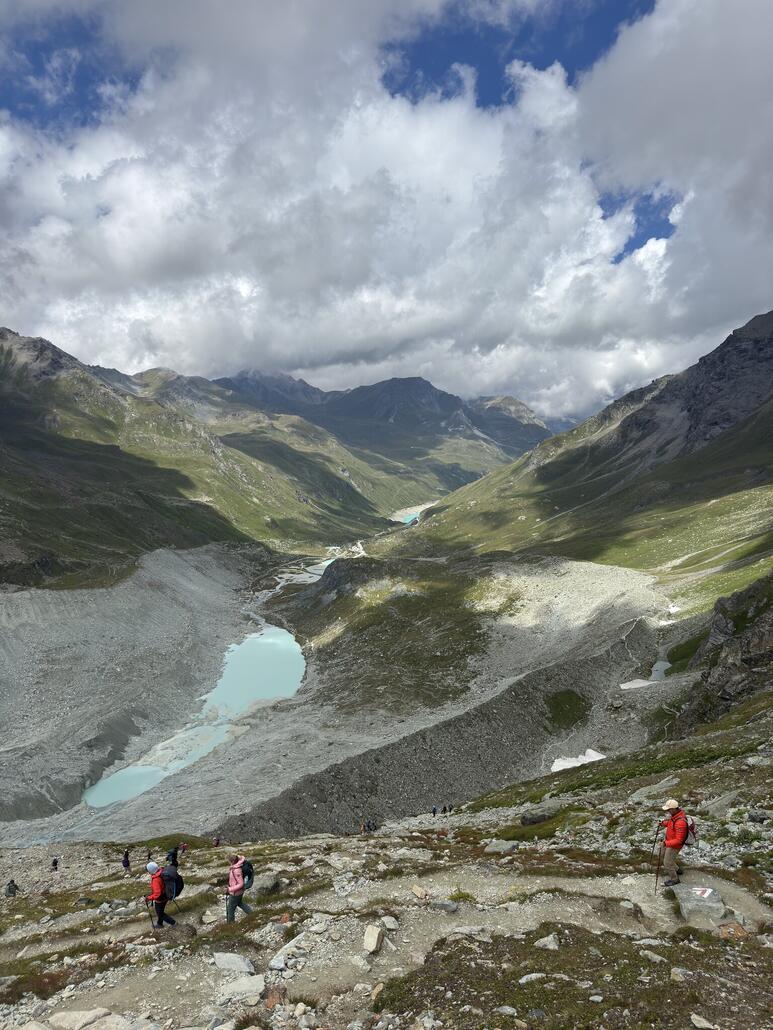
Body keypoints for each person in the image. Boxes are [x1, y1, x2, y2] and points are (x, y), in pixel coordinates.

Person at [659, 798, 688, 886]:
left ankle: (674, 879)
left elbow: (679, 840)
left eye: (668, 809)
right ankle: (677, 869)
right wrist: (663, 823)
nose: (667, 811)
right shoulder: (675, 816)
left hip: (674, 845)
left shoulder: (680, 822)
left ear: (673, 809)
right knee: (662, 854)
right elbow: (671, 824)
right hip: (669, 841)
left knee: (667, 863)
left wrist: (665, 843)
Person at [145, 861, 175, 928]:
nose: (148, 872)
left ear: (151, 870)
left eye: (148, 870)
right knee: (160, 911)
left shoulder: (156, 879)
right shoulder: (161, 872)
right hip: (165, 895)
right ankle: (159, 924)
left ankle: (174, 923)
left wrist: (148, 898)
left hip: (160, 899)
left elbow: (157, 894)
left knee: (160, 913)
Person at [226, 855, 253, 923]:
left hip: (235, 893)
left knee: (230, 910)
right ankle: (252, 914)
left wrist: (229, 889)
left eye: (229, 861)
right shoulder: (238, 866)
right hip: (239, 892)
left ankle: (230, 925)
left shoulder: (236, 870)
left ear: (232, 862)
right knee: (240, 903)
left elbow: (240, 884)